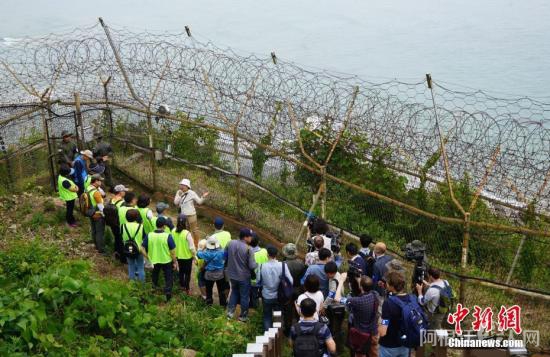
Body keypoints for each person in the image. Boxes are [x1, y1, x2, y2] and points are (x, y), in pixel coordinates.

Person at [335, 273, 379, 357]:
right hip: (373, 331)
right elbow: (365, 284)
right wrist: (360, 277)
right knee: (373, 352)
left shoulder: (357, 301)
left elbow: (337, 298)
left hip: (361, 334)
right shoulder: (375, 294)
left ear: (361, 287)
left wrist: (341, 281)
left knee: (360, 354)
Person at [258, 245, 294, 331]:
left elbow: (259, 281)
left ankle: (268, 337)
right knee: (278, 315)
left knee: (267, 316)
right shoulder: (282, 265)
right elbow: (291, 281)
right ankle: (278, 335)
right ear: (277, 254)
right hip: (279, 295)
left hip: (266, 295)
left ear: (267, 255)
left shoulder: (262, 266)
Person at [142, 217, 178, 301]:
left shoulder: (149, 235)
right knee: (168, 277)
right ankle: (168, 294)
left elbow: (142, 248)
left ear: (156, 225)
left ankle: (153, 290)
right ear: (164, 226)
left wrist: (147, 257)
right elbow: (172, 252)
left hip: (154, 260)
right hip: (166, 261)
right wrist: (175, 262)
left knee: (155, 275)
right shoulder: (168, 236)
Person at [225, 228, 257, 322]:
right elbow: (252, 266)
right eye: (250, 236)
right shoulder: (249, 249)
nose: (251, 238)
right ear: (246, 237)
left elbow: (225, 254)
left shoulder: (231, 243)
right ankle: (243, 316)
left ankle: (230, 314)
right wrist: (257, 264)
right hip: (243, 277)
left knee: (234, 292)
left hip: (232, 275)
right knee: (244, 296)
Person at [379, 271, 411, 357]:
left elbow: (382, 332)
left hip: (389, 346)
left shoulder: (388, 303)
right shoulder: (411, 299)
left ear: (391, 286)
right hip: (406, 343)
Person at [173, 178, 209, 246]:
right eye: (181, 185)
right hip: (183, 216)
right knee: (186, 230)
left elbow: (199, 202)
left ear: (188, 186)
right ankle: (188, 244)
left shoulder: (192, 193)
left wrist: (203, 197)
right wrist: (179, 195)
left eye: (184, 185)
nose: (182, 186)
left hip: (191, 215)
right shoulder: (179, 192)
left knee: (194, 230)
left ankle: (196, 244)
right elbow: (175, 202)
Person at [282, 243, 306, 336]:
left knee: (287, 309)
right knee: (299, 308)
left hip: (287, 289)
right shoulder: (301, 263)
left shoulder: (283, 264)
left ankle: (287, 329)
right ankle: (300, 328)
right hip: (298, 288)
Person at [198, 236, 227, 306]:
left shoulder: (207, 253)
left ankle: (209, 305)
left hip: (209, 276)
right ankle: (223, 306)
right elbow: (226, 256)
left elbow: (198, 254)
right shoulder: (222, 252)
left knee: (209, 291)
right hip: (220, 275)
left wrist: (204, 246)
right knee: (221, 291)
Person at [172, 214, 196, 294]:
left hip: (178, 256)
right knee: (187, 273)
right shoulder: (187, 233)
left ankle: (181, 286)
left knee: (181, 271)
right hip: (187, 257)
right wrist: (194, 256)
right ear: (186, 223)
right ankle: (187, 288)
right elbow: (192, 248)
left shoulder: (173, 231)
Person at [121, 209, 147, 281]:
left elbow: (122, 236)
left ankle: (132, 283)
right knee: (140, 267)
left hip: (127, 249)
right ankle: (142, 283)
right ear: (136, 218)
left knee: (131, 266)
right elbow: (144, 237)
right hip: (138, 249)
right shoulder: (140, 227)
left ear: (126, 217)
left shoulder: (123, 226)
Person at [107, 184, 129, 263]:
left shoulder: (111, 200)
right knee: (121, 241)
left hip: (112, 223)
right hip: (120, 224)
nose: (125, 192)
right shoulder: (123, 203)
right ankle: (123, 259)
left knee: (117, 239)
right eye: (124, 191)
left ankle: (116, 253)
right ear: (120, 192)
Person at [86, 175, 106, 254]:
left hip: (90, 212)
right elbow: (100, 206)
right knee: (100, 232)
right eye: (100, 180)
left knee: (94, 230)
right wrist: (104, 215)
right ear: (96, 181)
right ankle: (101, 249)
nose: (101, 182)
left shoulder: (88, 188)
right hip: (98, 214)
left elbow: (103, 194)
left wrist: (98, 188)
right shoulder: (96, 193)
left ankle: (95, 245)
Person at [250, 233, 268, 309]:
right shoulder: (264, 251)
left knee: (254, 295)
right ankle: (264, 309)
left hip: (252, 280)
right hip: (263, 278)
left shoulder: (248, 253)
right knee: (263, 294)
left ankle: (255, 309)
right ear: (258, 242)